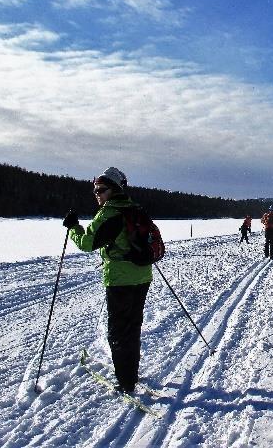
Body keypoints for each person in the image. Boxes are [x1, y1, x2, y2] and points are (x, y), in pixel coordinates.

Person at [63, 167, 152, 394]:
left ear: (113, 190)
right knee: (132, 327)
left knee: (119, 331)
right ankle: (130, 373)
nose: (97, 194)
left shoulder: (109, 214)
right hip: (142, 275)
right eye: (95, 191)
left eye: (101, 190)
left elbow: (86, 243)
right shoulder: (135, 209)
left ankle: (126, 382)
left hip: (120, 280)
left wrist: (73, 227)